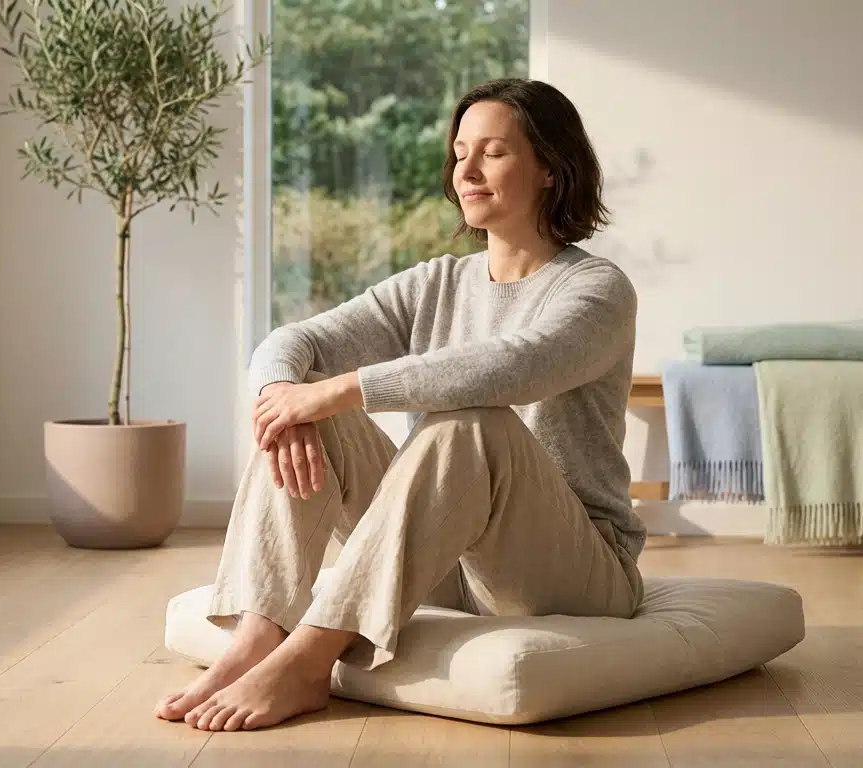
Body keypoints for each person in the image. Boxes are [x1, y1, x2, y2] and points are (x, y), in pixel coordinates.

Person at [155, 78, 647, 732]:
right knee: (307, 408)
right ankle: (257, 635)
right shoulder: (438, 282)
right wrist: (284, 398)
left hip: (571, 572)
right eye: (460, 153)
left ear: (551, 169)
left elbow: (513, 367)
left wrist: (342, 388)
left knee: (470, 421)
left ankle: (308, 660)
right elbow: (294, 341)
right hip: (448, 563)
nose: (466, 171)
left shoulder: (597, 290)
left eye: (493, 153)